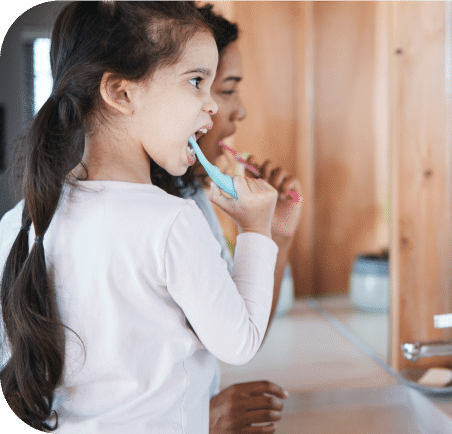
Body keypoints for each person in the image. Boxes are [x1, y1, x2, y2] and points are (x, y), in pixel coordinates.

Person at [0, 2, 280, 432]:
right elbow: (239, 342)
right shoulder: (171, 222)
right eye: (196, 81)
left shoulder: (20, 223)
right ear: (122, 93)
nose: (210, 106)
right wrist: (256, 229)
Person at [150, 4, 302, 433]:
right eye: (225, 88)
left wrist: (276, 235)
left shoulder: (192, 195)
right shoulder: (160, 219)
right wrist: (198, 419)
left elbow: (240, 334)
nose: (237, 111)